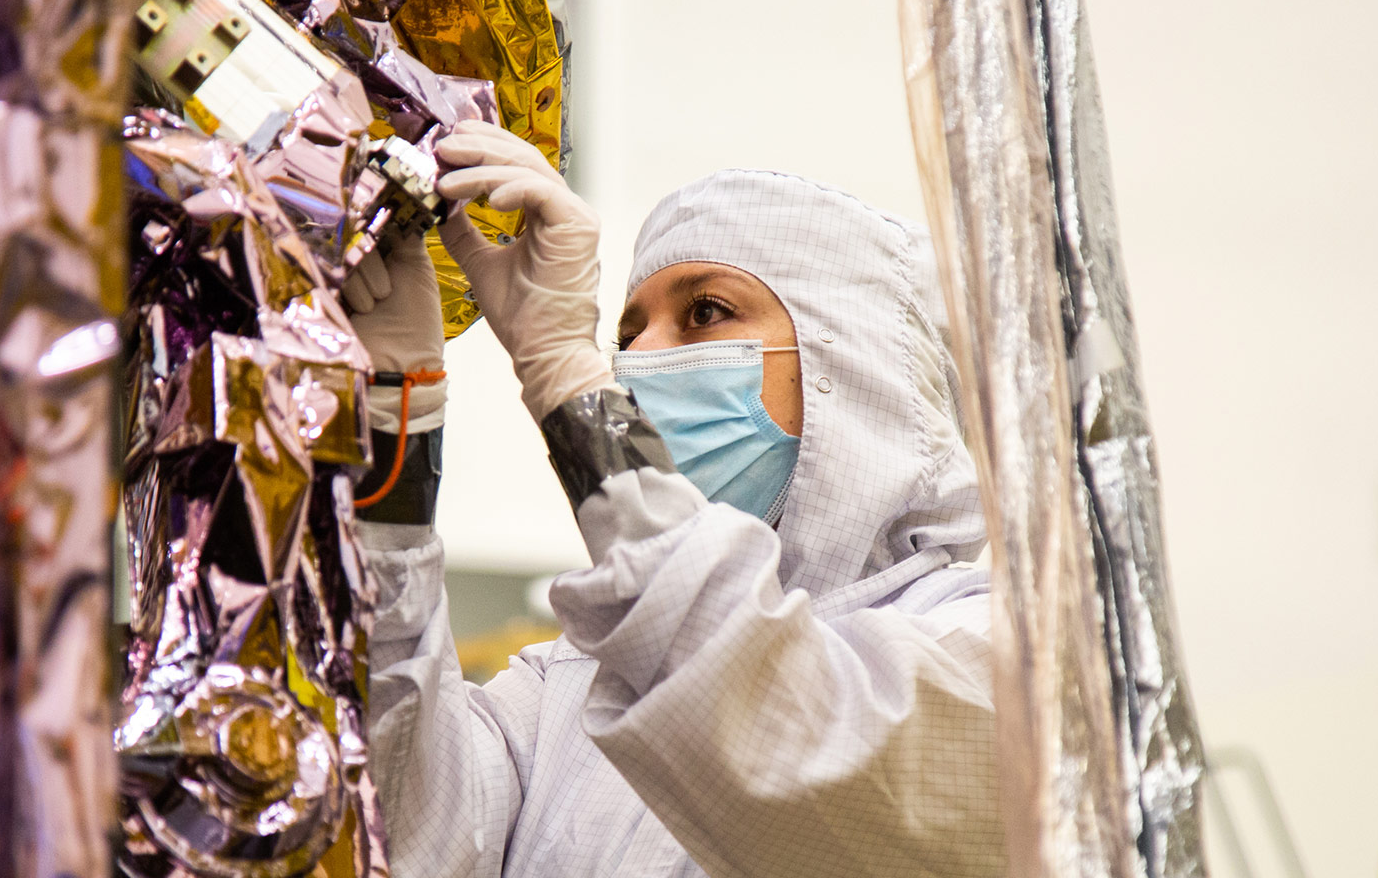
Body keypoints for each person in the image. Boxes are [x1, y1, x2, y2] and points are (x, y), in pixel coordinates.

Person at [346, 120, 1002, 878]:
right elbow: (400, 836)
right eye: (630, 332)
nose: (637, 364)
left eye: (706, 314)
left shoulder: (995, 657)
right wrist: (394, 424)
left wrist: (563, 372)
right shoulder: (568, 685)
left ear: (854, 371)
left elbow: (773, 733)